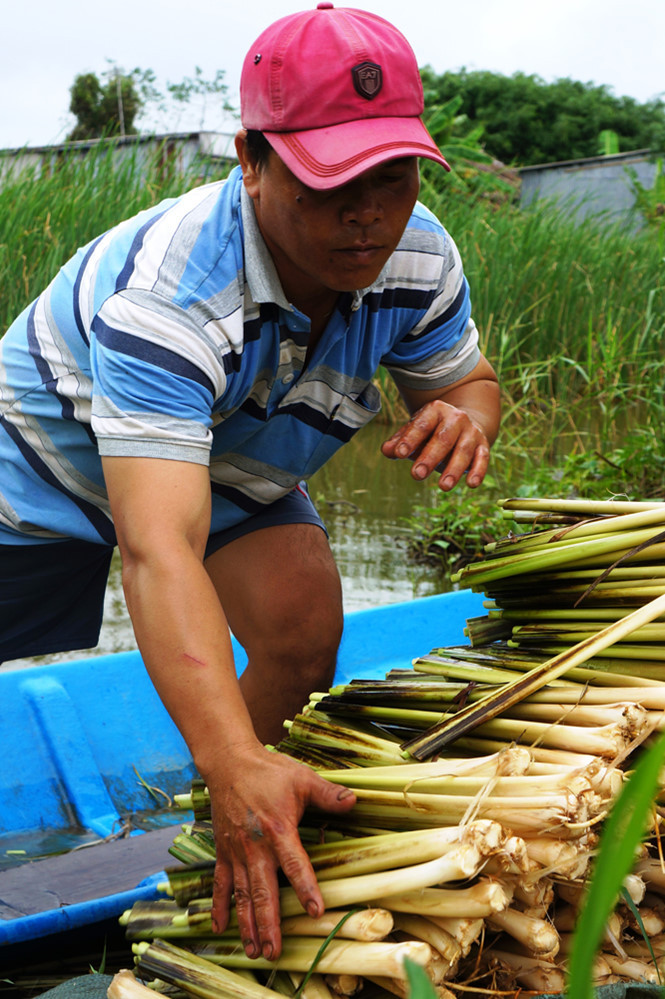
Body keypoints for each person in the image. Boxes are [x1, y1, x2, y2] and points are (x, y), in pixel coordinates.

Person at [0, 1, 500, 963]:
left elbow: (467, 380)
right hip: (42, 464)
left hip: (227, 452)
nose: (366, 213)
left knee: (303, 630)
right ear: (253, 159)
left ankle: (208, 818)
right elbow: (158, 547)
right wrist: (235, 756)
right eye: (331, 182)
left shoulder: (420, 254)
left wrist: (466, 415)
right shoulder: (174, 294)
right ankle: (232, 771)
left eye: (391, 179)